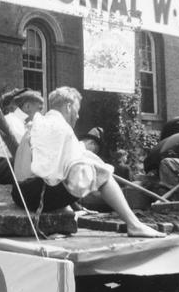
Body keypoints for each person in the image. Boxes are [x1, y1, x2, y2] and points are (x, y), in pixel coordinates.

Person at [12, 86, 165, 238]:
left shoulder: (41, 123)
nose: (78, 116)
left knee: (83, 169)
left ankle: (66, 213)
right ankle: (134, 225)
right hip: (32, 196)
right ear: (68, 106)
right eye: (77, 110)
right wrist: (98, 177)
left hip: (19, 194)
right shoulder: (60, 127)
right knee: (102, 174)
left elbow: (52, 165)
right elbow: (64, 172)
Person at [0, 89, 44, 184]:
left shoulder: (20, 122)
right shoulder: (12, 120)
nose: (41, 114)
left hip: (1, 165)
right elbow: (28, 149)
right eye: (39, 109)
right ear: (27, 106)